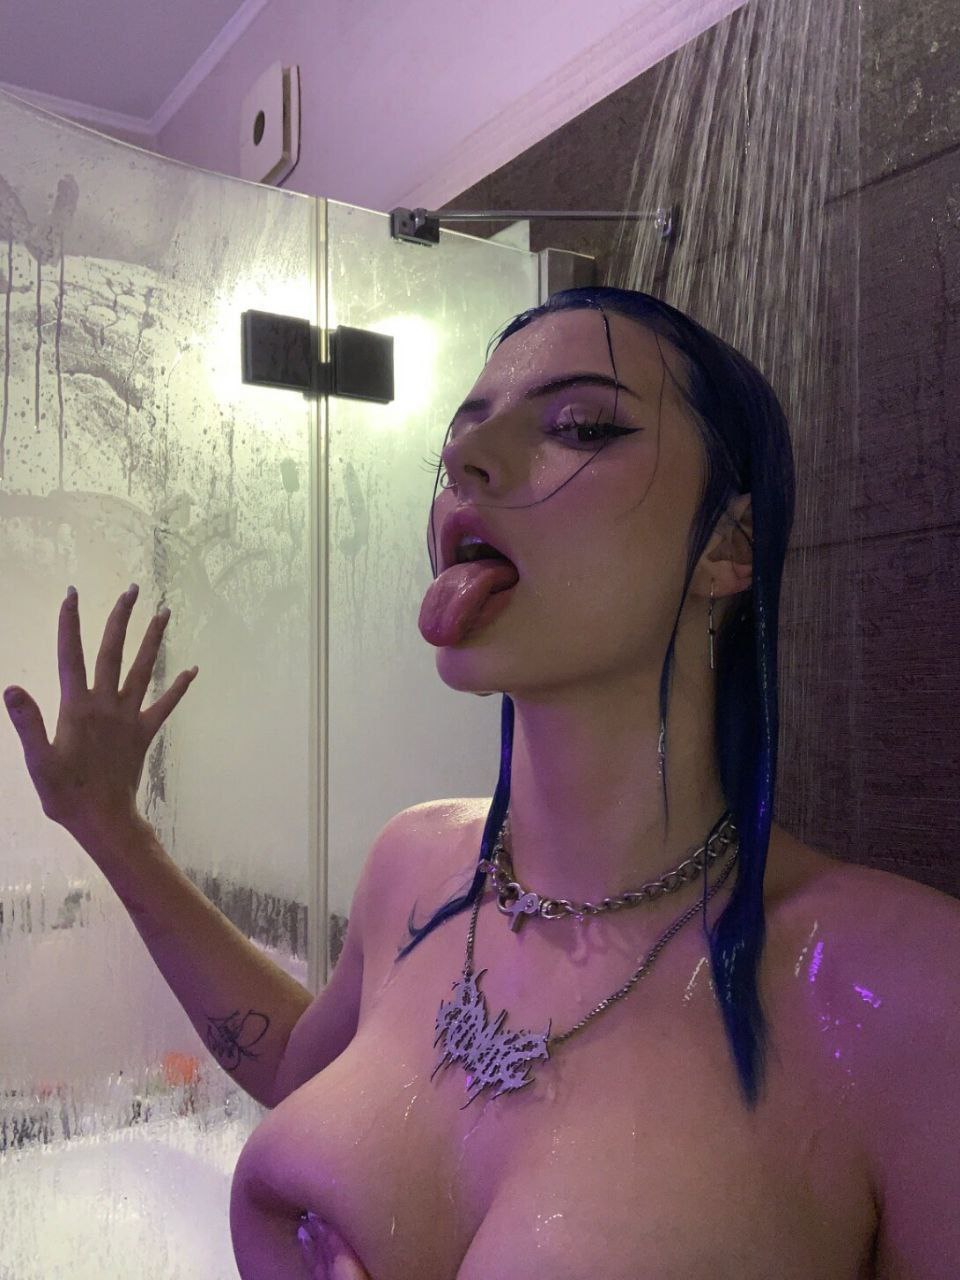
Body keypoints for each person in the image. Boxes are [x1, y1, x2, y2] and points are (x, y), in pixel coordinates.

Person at [6, 287, 957, 1278]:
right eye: (456, 442)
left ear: (728, 545)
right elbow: (299, 1069)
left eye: (579, 426)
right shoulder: (416, 864)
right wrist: (112, 827)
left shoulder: (903, 991)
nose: (465, 461)